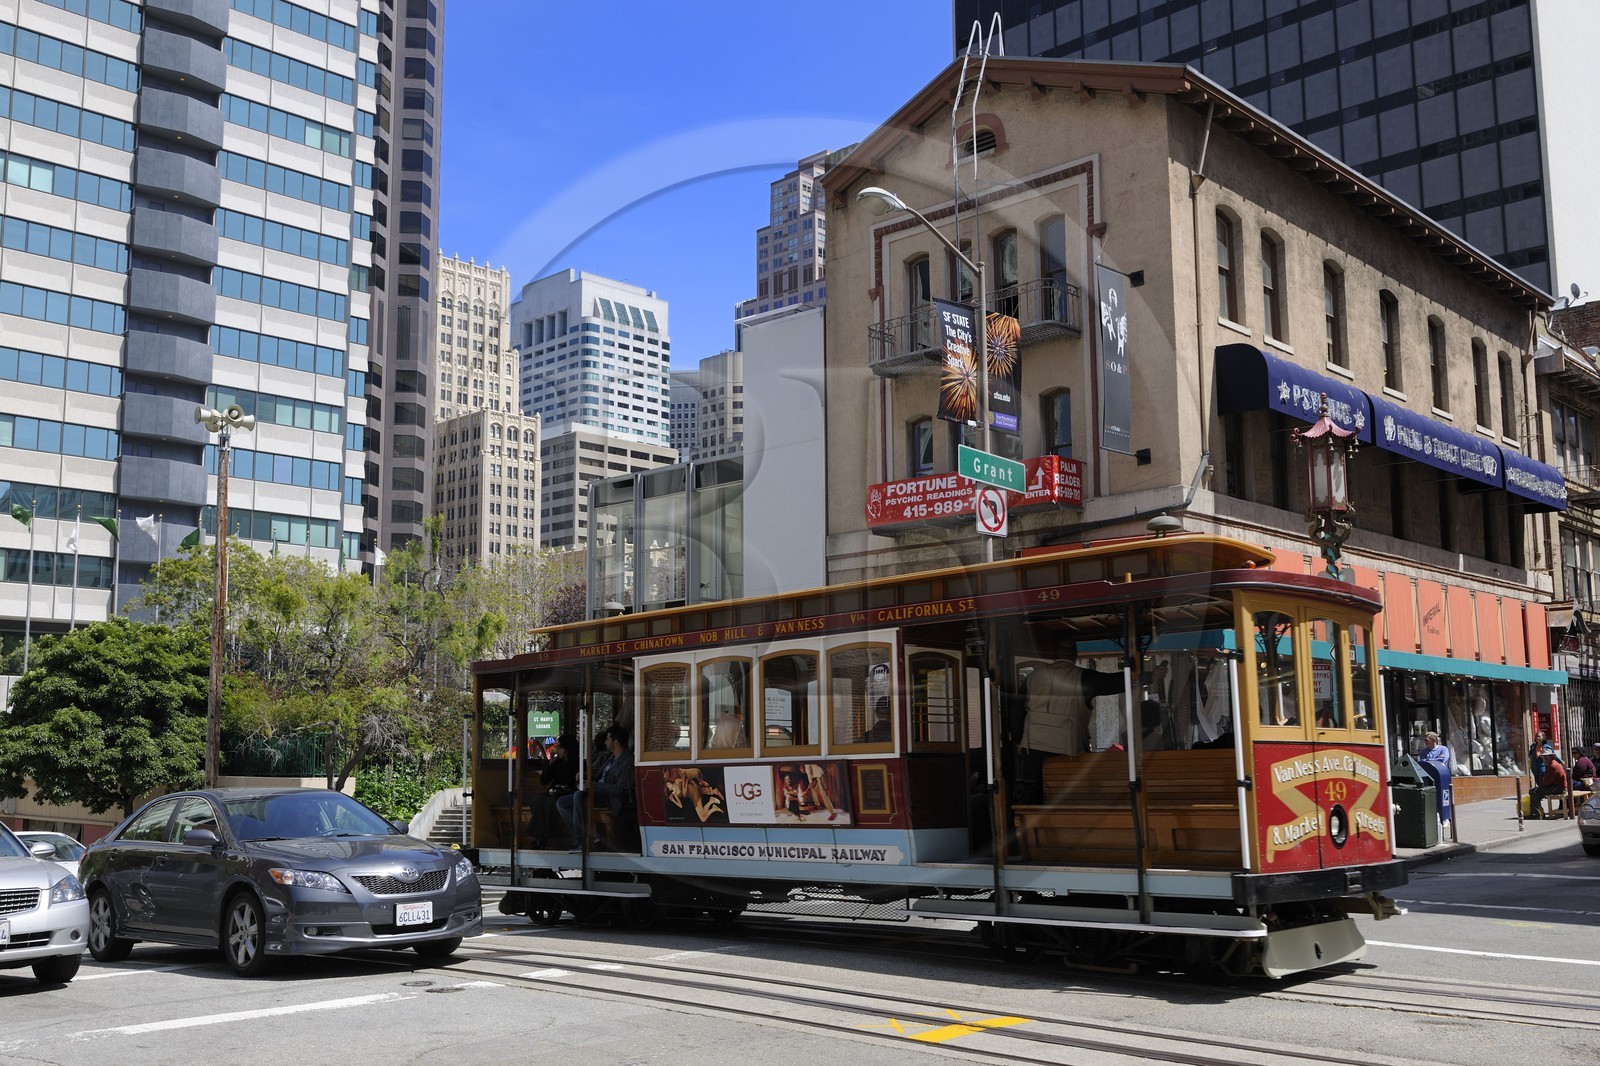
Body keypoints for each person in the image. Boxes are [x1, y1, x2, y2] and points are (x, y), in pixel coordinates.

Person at [1017, 639, 1123, 801]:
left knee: (1033, 799)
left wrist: (1020, 741)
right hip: (1067, 750)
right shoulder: (1084, 677)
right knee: (1069, 798)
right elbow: (1115, 682)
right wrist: (1146, 676)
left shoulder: (1033, 677)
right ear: (1075, 655)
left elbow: (1017, 714)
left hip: (1032, 748)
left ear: (1054, 655)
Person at [557, 725, 635, 850]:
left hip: (610, 798)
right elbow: (599, 774)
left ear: (615, 742)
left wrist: (594, 785)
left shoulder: (627, 761)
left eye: (607, 739)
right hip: (597, 792)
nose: (605, 742)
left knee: (579, 796)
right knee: (561, 802)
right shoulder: (610, 757)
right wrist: (585, 775)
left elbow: (619, 789)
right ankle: (589, 835)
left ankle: (581, 841)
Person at [527, 735, 577, 849]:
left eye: (559, 747)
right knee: (537, 801)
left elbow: (573, 782)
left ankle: (543, 839)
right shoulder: (556, 762)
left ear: (566, 749)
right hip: (554, 791)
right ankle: (539, 836)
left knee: (551, 803)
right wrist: (550, 764)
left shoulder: (576, 762)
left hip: (568, 792)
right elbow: (543, 781)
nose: (556, 749)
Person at [1528, 744, 1568, 819]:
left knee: (1534, 792)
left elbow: (1547, 781)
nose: (1542, 760)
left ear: (1547, 757)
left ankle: (1537, 814)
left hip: (1558, 788)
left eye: (1543, 758)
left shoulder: (1553, 766)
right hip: (1556, 786)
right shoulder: (1551, 764)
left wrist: (1540, 787)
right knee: (1536, 792)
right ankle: (1538, 811)